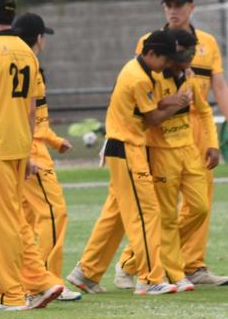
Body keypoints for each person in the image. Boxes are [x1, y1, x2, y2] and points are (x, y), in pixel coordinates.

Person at [116, 0, 228, 287]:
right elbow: (145, 101)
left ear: (191, 7)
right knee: (153, 211)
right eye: (168, 4)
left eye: (179, 5)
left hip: (194, 140)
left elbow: (215, 87)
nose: (173, 10)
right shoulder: (150, 45)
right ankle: (155, 266)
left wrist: (218, 134)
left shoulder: (206, 44)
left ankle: (188, 264)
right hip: (156, 141)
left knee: (200, 206)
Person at [66, 30, 190, 295]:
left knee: (116, 216)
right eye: (165, 59)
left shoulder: (142, 71)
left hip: (124, 148)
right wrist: (177, 105)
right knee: (147, 214)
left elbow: (151, 105)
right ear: (152, 54)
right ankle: (150, 278)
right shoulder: (138, 77)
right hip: (127, 149)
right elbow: (153, 118)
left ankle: (86, 272)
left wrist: (170, 101)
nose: (168, 65)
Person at [0, 0, 65, 311]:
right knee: (17, 221)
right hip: (21, 147)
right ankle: (41, 281)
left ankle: (9, 295)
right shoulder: (27, 51)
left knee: (0, 225)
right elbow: (32, 109)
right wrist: (28, 151)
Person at [12, 12, 81, 302]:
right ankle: (45, 282)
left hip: (27, 145)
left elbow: (35, 115)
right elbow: (25, 117)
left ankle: (28, 281)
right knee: (54, 211)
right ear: (38, 39)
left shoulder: (16, 61)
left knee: (26, 219)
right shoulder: (31, 65)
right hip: (31, 150)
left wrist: (54, 140)